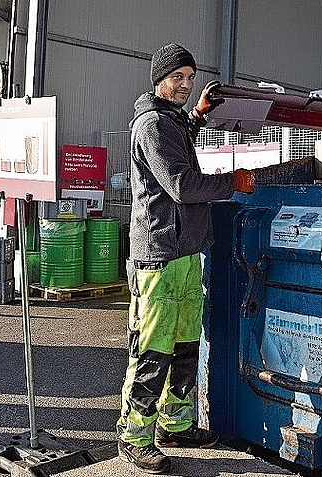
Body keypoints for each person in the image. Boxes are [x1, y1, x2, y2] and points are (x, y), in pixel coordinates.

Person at [117, 43, 256, 474]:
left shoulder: (171, 120)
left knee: (184, 345)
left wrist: (198, 113)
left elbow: (181, 140)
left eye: (190, 78)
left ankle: (174, 423)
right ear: (159, 78)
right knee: (153, 349)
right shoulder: (152, 126)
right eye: (178, 77)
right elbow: (181, 185)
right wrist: (232, 182)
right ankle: (134, 435)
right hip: (159, 257)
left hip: (185, 252)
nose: (184, 85)